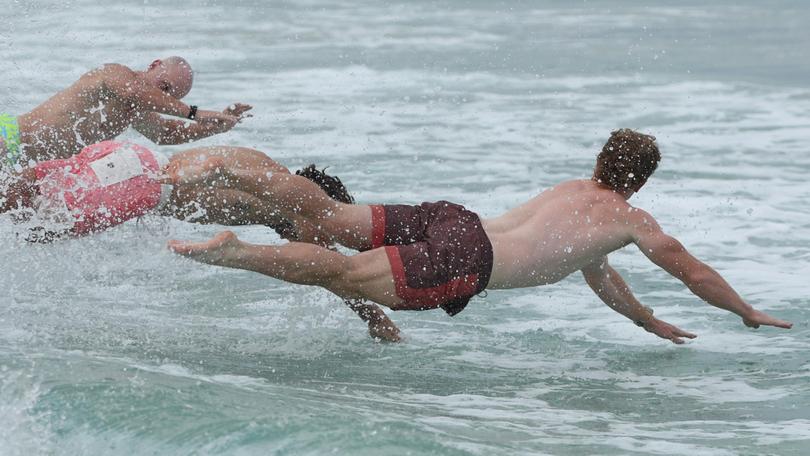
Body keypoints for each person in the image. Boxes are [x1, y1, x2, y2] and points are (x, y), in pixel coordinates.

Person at [165, 129, 793, 344]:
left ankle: (244, 172)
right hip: (468, 257)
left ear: (602, 159)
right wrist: (742, 309)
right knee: (344, 274)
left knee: (330, 215)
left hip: (454, 218)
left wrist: (645, 321)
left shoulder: (575, 194)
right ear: (643, 181)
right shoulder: (630, 221)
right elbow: (694, 271)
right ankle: (238, 252)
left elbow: (598, 271)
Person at [0, 140, 401, 342]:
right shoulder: (284, 191)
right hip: (143, 182)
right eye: (327, 226)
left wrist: (373, 318)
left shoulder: (277, 194)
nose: (326, 237)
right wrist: (376, 319)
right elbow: (327, 267)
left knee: (27, 208)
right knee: (33, 214)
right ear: (312, 199)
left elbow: (326, 268)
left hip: (134, 160)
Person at [0, 56, 250, 168]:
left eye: (171, 96)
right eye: (164, 88)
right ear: (154, 65)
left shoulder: (135, 111)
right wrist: (194, 112)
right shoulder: (114, 74)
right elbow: (132, 91)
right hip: (8, 138)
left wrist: (214, 127)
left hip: (24, 166)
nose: (165, 98)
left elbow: (165, 134)